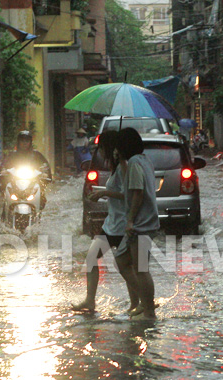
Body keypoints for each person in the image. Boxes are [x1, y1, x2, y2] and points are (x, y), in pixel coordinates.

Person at [72, 131, 139, 313]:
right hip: (112, 223)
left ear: (109, 148)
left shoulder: (124, 166)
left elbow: (130, 193)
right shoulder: (115, 167)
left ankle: (141, 301)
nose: (99, 151)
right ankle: (90, 301)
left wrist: (104, 193)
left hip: (121, 225)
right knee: (92, 259)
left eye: (101, 148)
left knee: (125, 266)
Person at [115, 127, 160, 319]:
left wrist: (131, 220)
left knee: (141, 268)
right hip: (146, 221)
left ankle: (149, 311)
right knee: (122, 260)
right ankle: (145, 301)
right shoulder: (143, 160)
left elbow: (137, 192)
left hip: (140, 224)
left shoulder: (134, 163)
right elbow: (130, 184)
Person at [0, 130, 52, 209]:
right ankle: (7, 212)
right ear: (18, 142)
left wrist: (45, 172)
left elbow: (44, 165)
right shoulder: (12, 154)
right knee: (6, 192)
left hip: (33, 181)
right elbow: (4, 164)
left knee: (41, 195)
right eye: (22, 140)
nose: (24, 143)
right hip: (15, 182)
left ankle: (38, 212)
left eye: (27, 141)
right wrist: (3, 170)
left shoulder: (36, 154)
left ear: (30, 142)